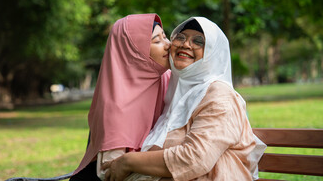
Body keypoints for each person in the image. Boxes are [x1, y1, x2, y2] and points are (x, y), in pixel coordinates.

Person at [103, 17, 266, 181]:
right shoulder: (173, 93)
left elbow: (195, 159)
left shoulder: (220, 96)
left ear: (212, 53)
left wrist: (127, 162)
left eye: (198, 41)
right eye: (180, 37)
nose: (185, 44)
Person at [70, 14, 172, 181]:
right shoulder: (116, 106)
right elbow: (111, 173)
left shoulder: (168, 79)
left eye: (165, 36)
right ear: (135, 53)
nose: (168, 45)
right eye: (157, 41)